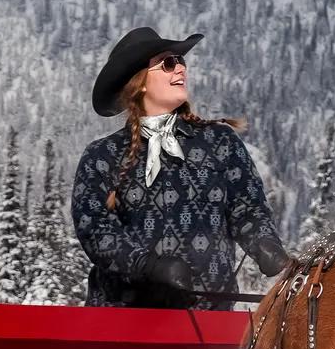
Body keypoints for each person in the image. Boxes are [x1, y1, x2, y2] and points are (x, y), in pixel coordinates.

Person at [72, 26, 289, 307]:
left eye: (181, 61)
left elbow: (247, 207)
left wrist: (264, 243)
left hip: (208, 325)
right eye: (169, 63)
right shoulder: (102, 156)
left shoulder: (220, 142)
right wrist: (148, 266)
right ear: (139, 82)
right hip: (123, 325)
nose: (181, 69)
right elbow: (96, 230)